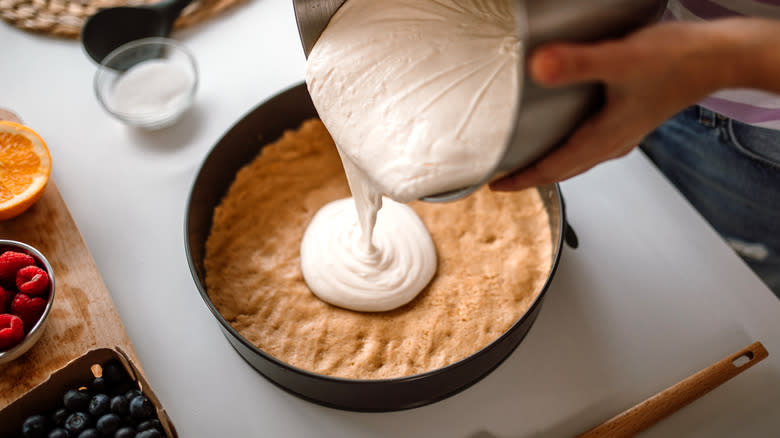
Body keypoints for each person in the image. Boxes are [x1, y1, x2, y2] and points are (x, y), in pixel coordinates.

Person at [490, 2, 780, 297]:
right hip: (646, 50)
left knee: (736, 267)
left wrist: (727, 61)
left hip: (759, 138)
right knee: (663, 208)